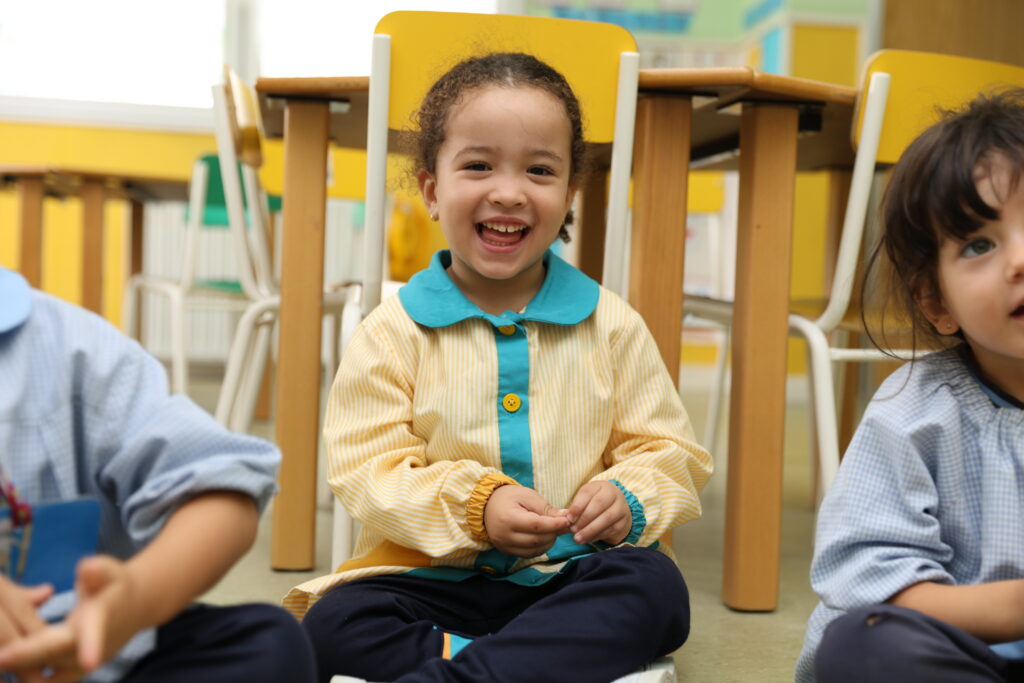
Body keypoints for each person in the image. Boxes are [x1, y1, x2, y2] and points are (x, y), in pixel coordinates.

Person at [288, 52, 713, 683]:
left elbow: (670, 450)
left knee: (654, 589)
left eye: (540, 171)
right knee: (332, 625)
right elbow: (366, 474)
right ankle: (524, 667)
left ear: (569, 195)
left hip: (570, 576)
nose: (509, 191)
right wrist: (475, 508)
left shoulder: (611, 322)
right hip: (433, 581)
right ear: (432, 190)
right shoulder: (391, 330)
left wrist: (629, 498)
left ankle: (465, 672)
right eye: (478, 165)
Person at [796, 88, 1024, 682]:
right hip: (962, 657)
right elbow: (877, 590)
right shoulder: (916, 412)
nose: (1019, 261)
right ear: (935, 301)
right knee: (864, 645)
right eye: (979, 244)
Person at [0, 266, 316, 682]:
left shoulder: (69, 347)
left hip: (86, 658)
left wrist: (132, 599)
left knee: (273, 643)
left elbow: (221, 491)